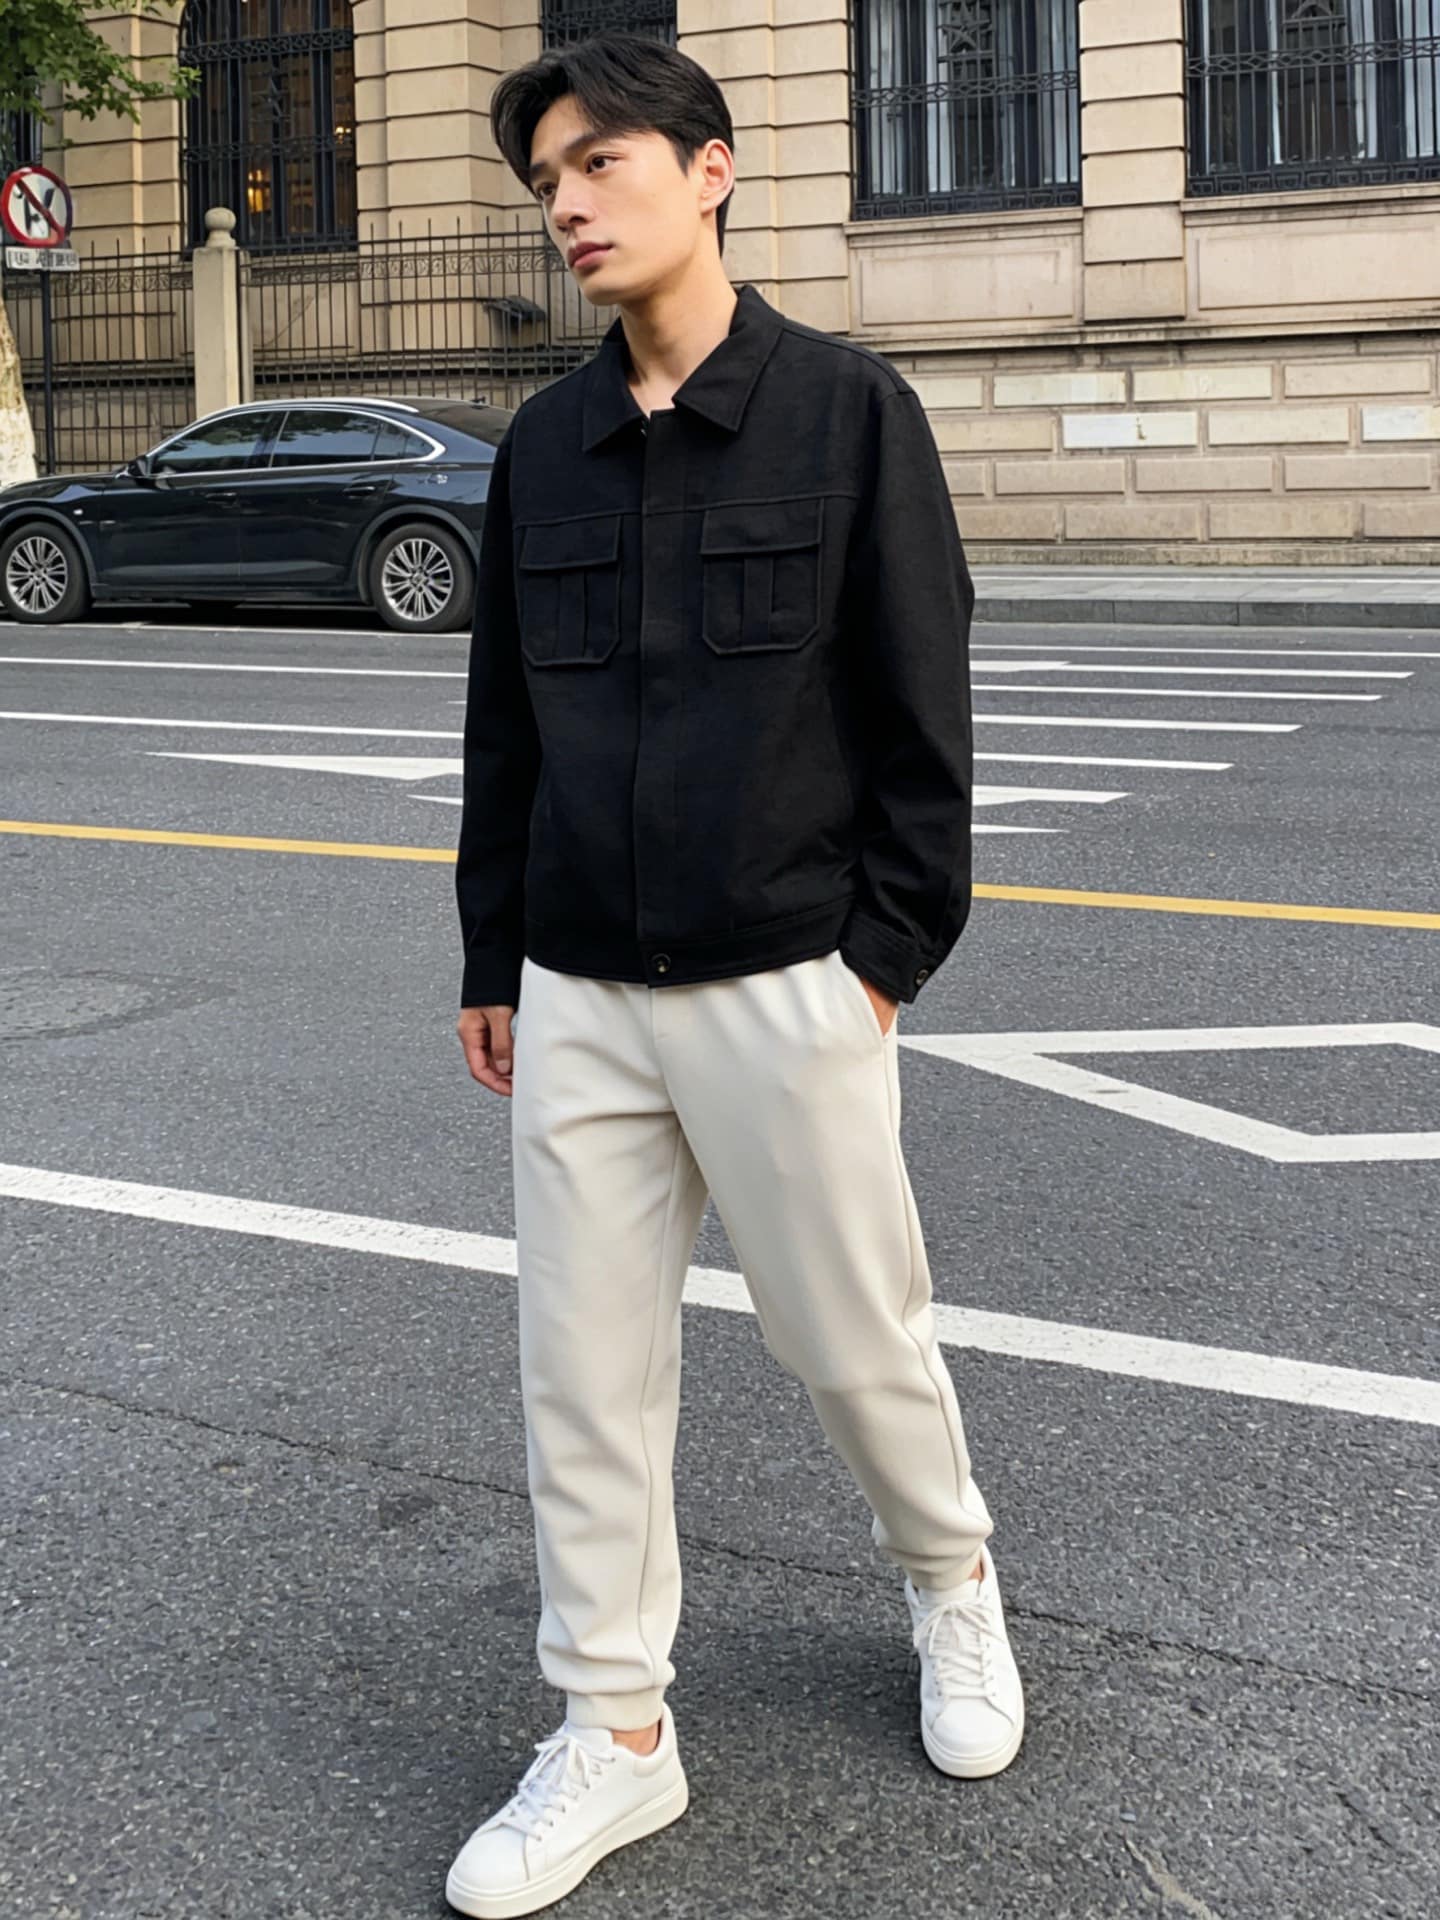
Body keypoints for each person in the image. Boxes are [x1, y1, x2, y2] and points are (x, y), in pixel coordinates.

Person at [448, 30, 1023, 1918]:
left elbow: (921, 708)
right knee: (583, 1377)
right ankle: (615, 1728)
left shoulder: (847, 413)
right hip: (581, 985)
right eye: (547, 180)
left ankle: (950, 1580)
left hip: (788, 978)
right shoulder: (544, 446)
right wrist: (494, 952)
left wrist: (882, 962)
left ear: (709, 168)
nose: (569, 204)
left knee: (855, 1339)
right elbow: (504, 726)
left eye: (600, 162)